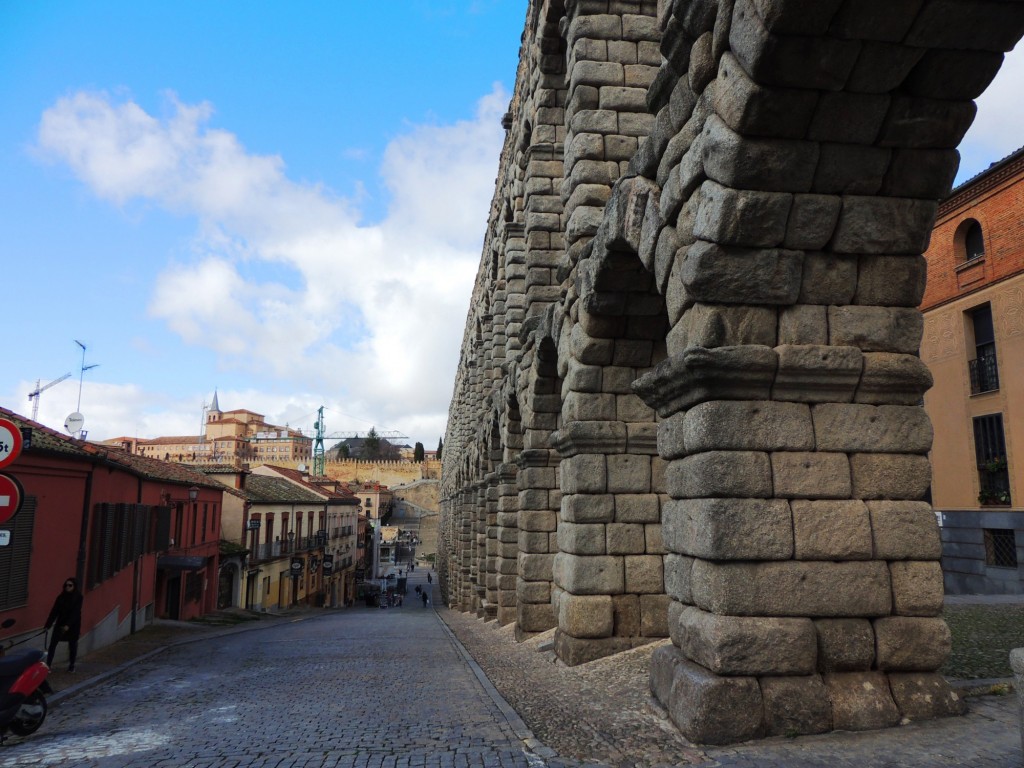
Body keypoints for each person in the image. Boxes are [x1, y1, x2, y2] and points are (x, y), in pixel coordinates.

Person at [45, 577, 83, 672]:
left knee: (72, 645)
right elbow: (54, 611)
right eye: (66, 585)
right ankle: (48, 665)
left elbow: (76, 612)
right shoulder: (60, 597)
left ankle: (72, 665)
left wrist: (68, 625)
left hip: (73, 626)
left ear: (74, 586)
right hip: (60, 624)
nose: (67, 587)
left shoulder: (78, 597)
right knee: (52, 644)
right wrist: (48, 625)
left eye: (70, 585)